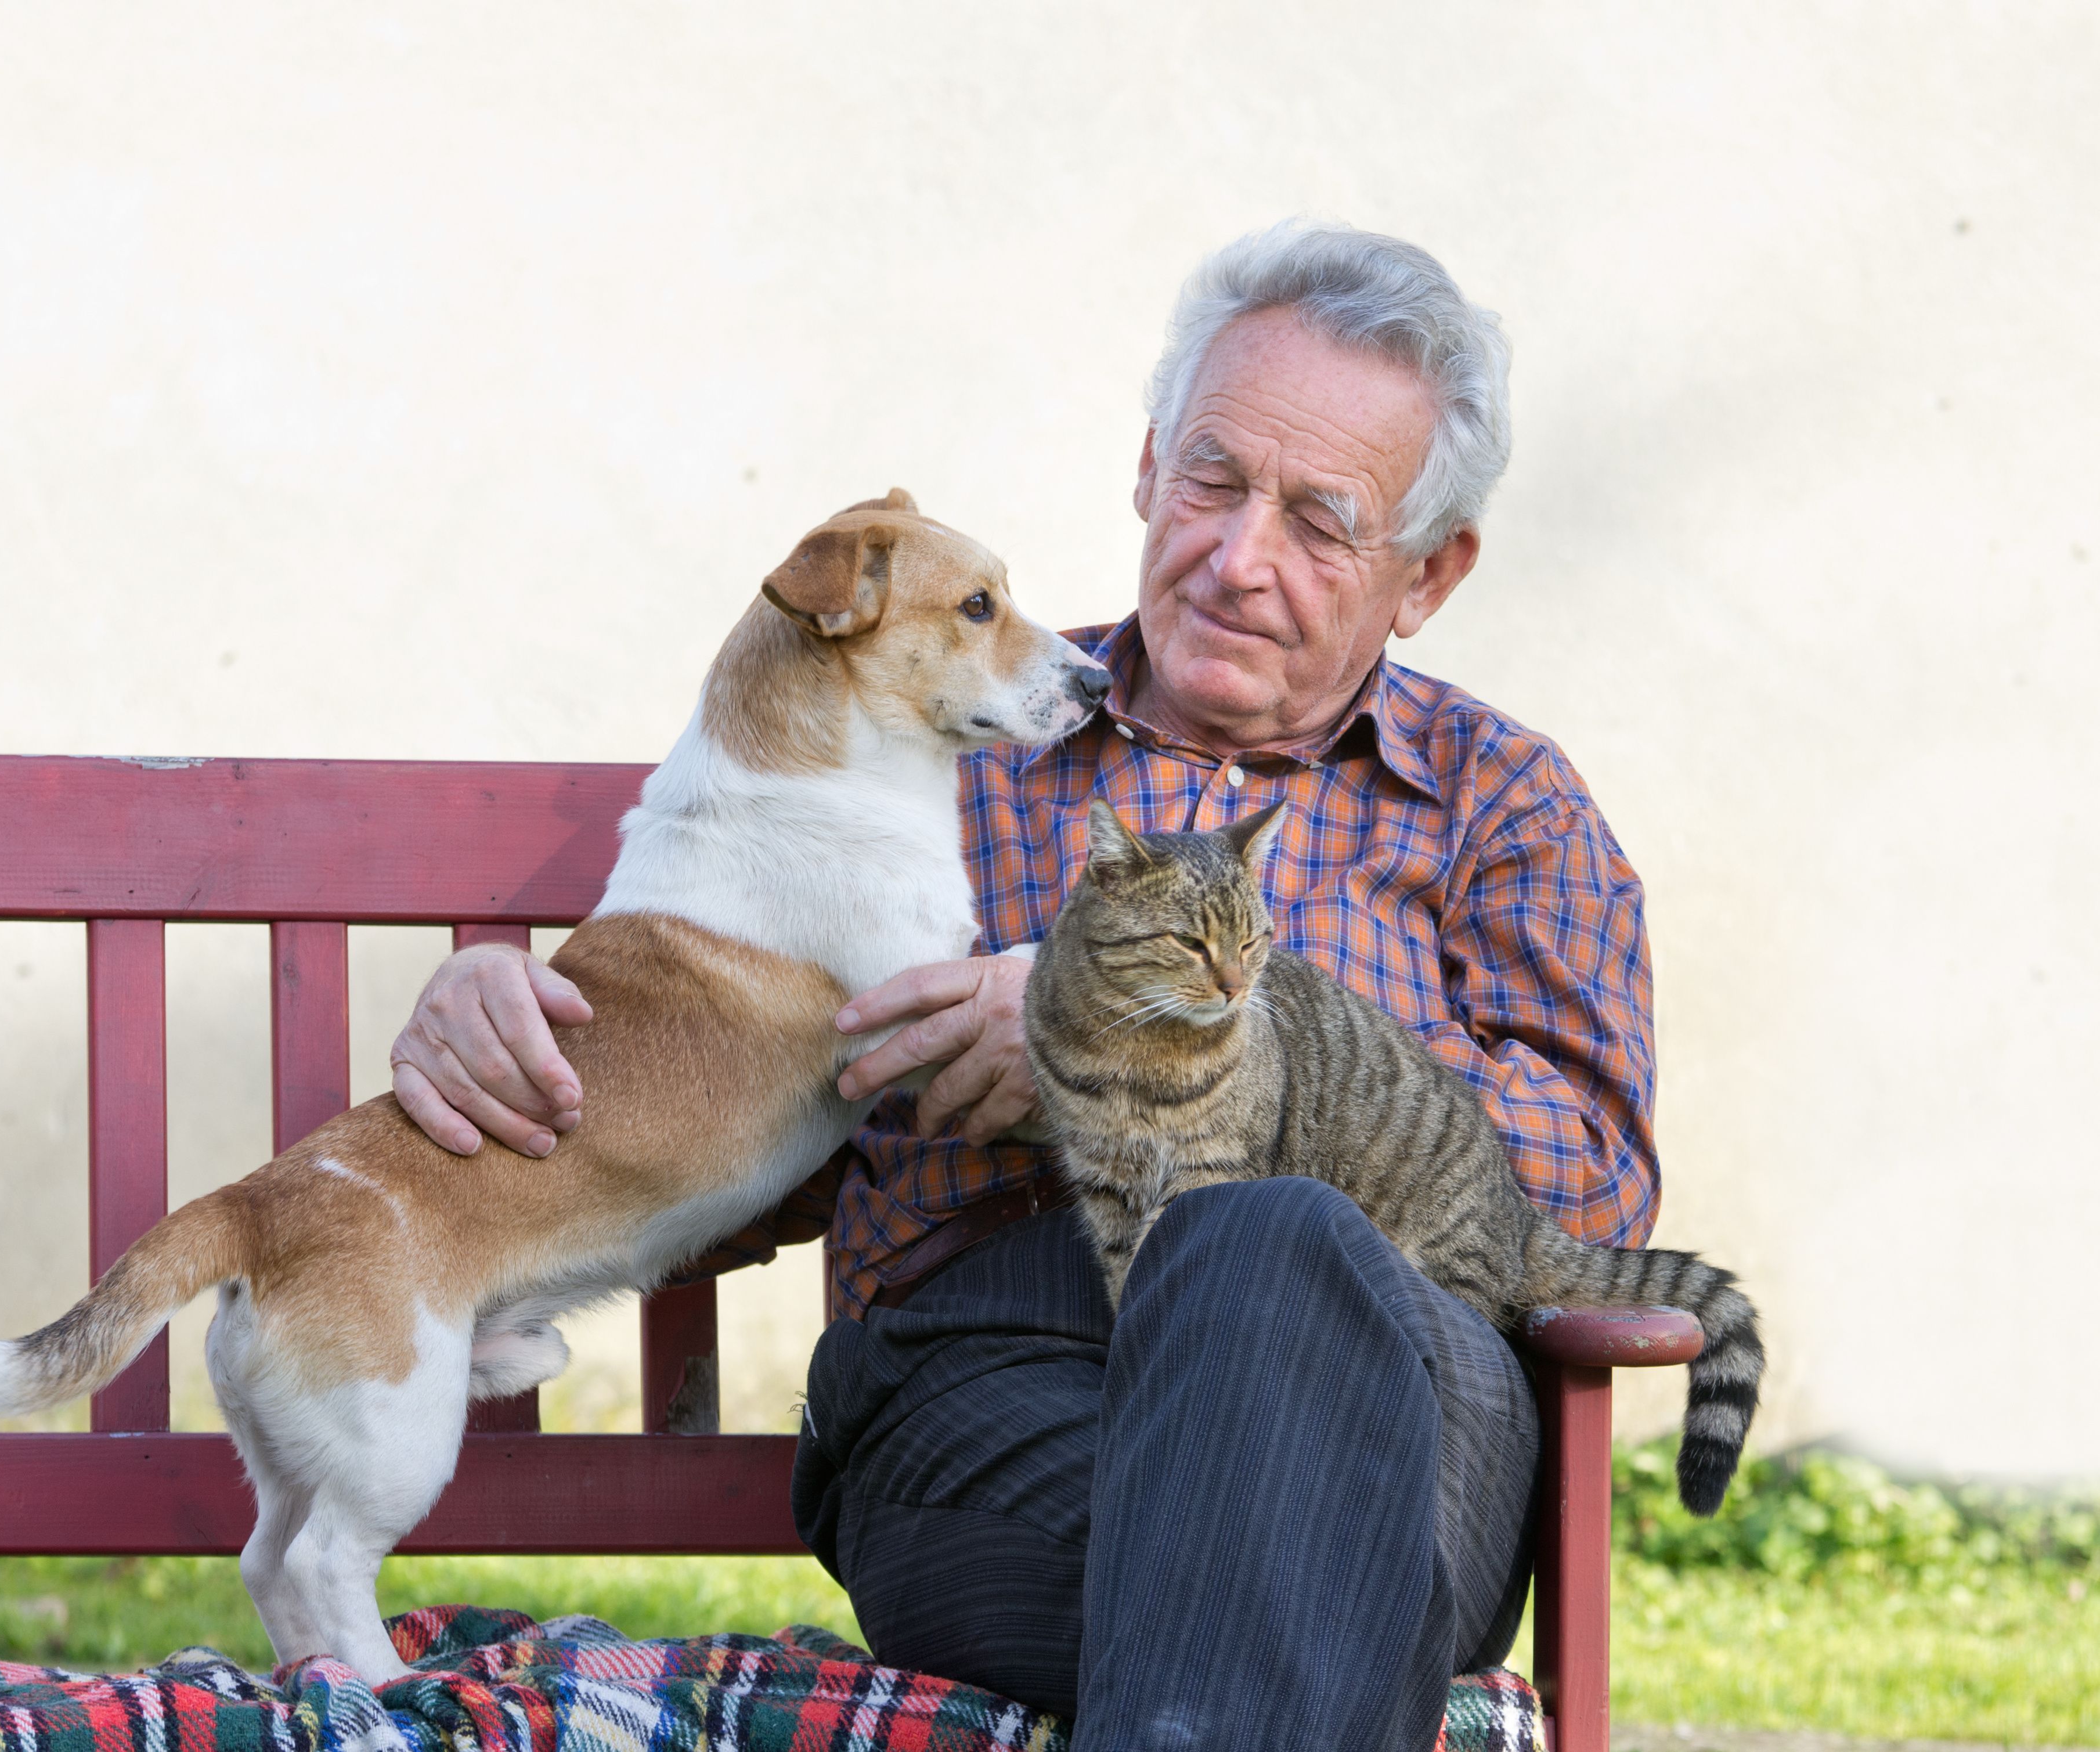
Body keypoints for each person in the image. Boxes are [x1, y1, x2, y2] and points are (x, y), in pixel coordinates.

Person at [389, 220, 1658, 1752]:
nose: (1237, 556)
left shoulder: (1501, 806)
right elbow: (718, 1114)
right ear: (1143, 467)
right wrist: (498, 1023)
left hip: (1394, 1389)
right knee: (1301, 1579)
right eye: (1211, 479)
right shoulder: (916, 761)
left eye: (1320, 520)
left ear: (1428, 574)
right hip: (996, 1381)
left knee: (1273, 1257)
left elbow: (1585, 1205)